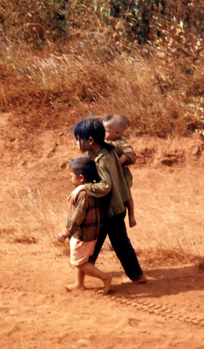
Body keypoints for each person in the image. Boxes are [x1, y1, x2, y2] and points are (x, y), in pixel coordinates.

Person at [72, 117, 147, 284]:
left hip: (112, 209)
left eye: (78, 139)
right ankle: (80, 281)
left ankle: (137, 276)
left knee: (118, 244)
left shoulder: (103, 158)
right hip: (107, 208)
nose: (77, 143)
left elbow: (106, 186)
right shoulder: (105, 150)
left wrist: (84, 188)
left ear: (90, 141)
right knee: (95, 243)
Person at [57, 156, 112, 294]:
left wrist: (65, 233)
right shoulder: (90, 190)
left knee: (79, 263)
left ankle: (105, 278)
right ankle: (79, 284)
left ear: (81, 178)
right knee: (80, 259)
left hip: (83, 234)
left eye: (71, 175)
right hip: (89, 233)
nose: (70, 178)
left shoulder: (83, 195)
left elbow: (77, 217)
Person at [103, 114, 137, 228]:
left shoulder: (120, 143)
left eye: (106, 131)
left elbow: (130, 153)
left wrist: (118, 162)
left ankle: (131, 216)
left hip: (122, 176)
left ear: (117, 133)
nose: (104, 134)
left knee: (127, 196)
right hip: (111, 177)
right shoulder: (105, 143)